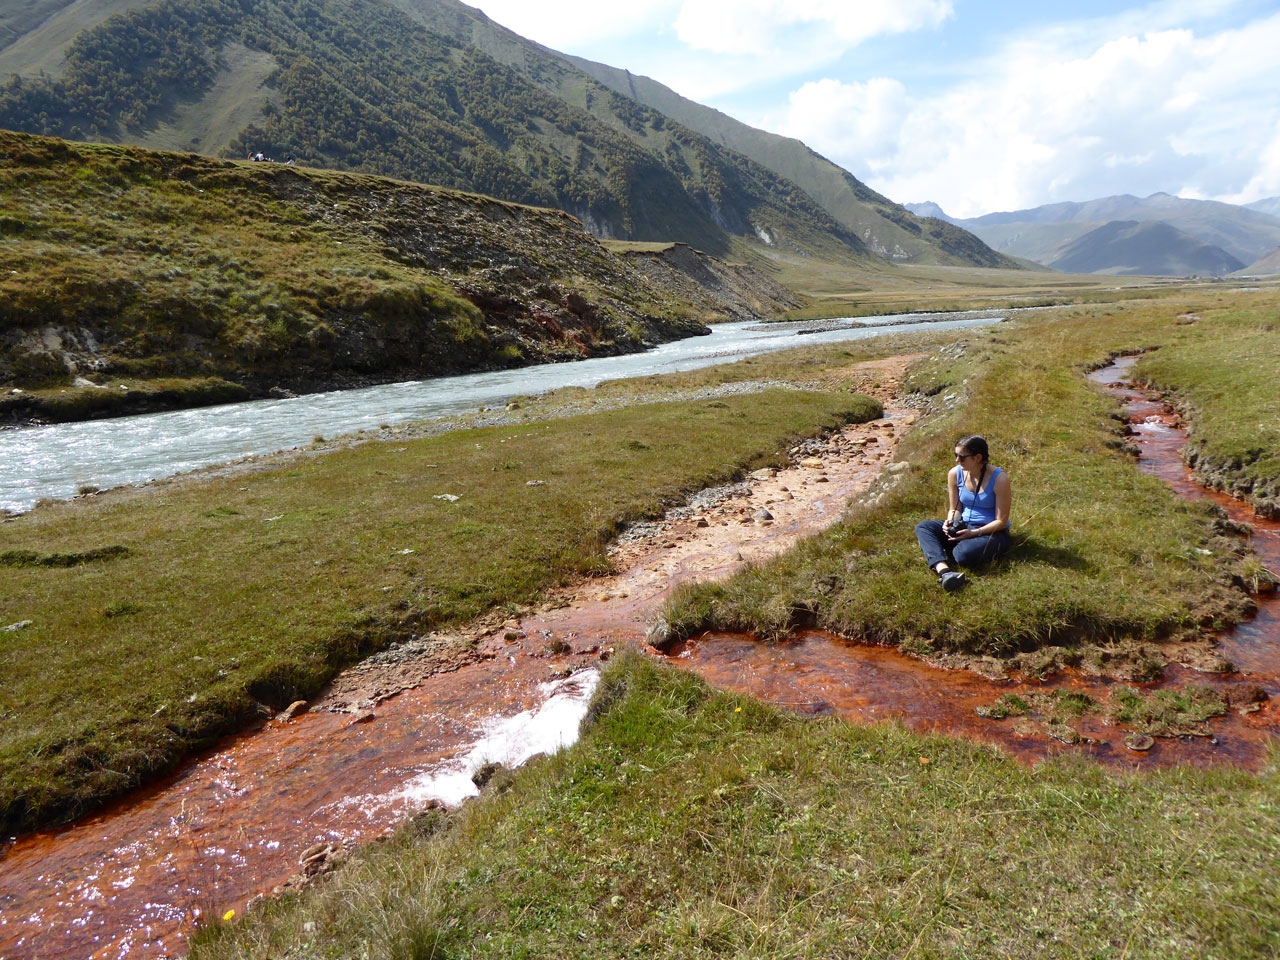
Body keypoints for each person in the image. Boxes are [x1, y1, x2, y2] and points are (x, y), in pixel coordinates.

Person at [914, 435, 1012, 591]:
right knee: (924, 527)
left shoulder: (999, 479)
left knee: (962, 555)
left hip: (992, 531)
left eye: (962, 457)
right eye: (956, 455)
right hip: (965, 526)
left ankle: (952, 550)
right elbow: (955, 508)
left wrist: (974, 533)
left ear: (977, 458)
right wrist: (950, 522)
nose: (957, 460)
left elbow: (1001, 521)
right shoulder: (955, 473)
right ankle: (944, 571)